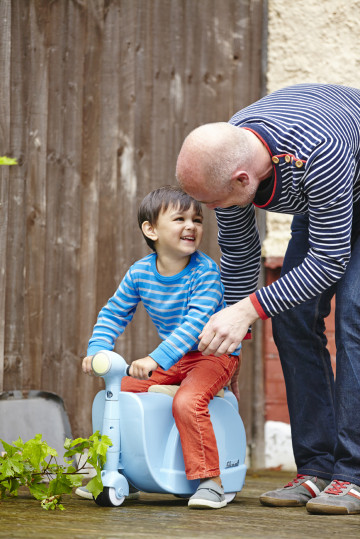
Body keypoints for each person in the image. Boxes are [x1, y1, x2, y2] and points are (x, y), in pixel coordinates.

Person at [176, 83, 360, 515]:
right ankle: (315, 469)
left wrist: (247, 309)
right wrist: (231, 348)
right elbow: (240, 256)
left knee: (354, 318)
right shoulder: (231, 155)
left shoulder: (320, 151)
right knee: (292, 317)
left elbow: (330, 261)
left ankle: (352, 475)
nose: (212, 210)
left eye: (214, 202)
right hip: (325, 201)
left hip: (345, 176)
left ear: (243, 179)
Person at [81, 185, 242, 509]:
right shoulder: (140, 272)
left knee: (189, 400)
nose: (191, 226)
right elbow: (114, 312)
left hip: (214, 355)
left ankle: (210, 480)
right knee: (119, 391)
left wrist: (156, 358)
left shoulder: (206, 271)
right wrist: (98, 349)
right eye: (179, 218)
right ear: (150, 229)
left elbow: (196, 324)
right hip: (176, 359)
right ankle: (121, 471)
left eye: (197, 220)